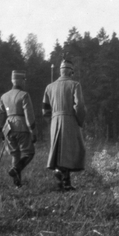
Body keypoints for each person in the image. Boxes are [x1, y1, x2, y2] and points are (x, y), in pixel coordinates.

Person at [42, 59, 87, 191]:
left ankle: (62, 179)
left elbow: (45, 109)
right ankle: (63, 178)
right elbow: (79, 106)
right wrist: (80, 120)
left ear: (60, 71)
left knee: (58, 150)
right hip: (70, 120)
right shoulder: (75, 85)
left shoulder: (49, 87)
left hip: (55, 120)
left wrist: (52, 120)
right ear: (71, 72)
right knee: (70, 150)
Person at [0, 70, 37, 187]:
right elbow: (29, 115)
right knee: (29, 153)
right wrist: (33, 131)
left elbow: (0, 115)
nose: (25, 82)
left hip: (8, 128)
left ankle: (17, 184)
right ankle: (15, 169)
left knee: (15, 154)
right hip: (21, 126)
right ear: (20, 81)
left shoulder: (4, 96)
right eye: (24, 80)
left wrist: (0, 130)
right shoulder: (24, 95)